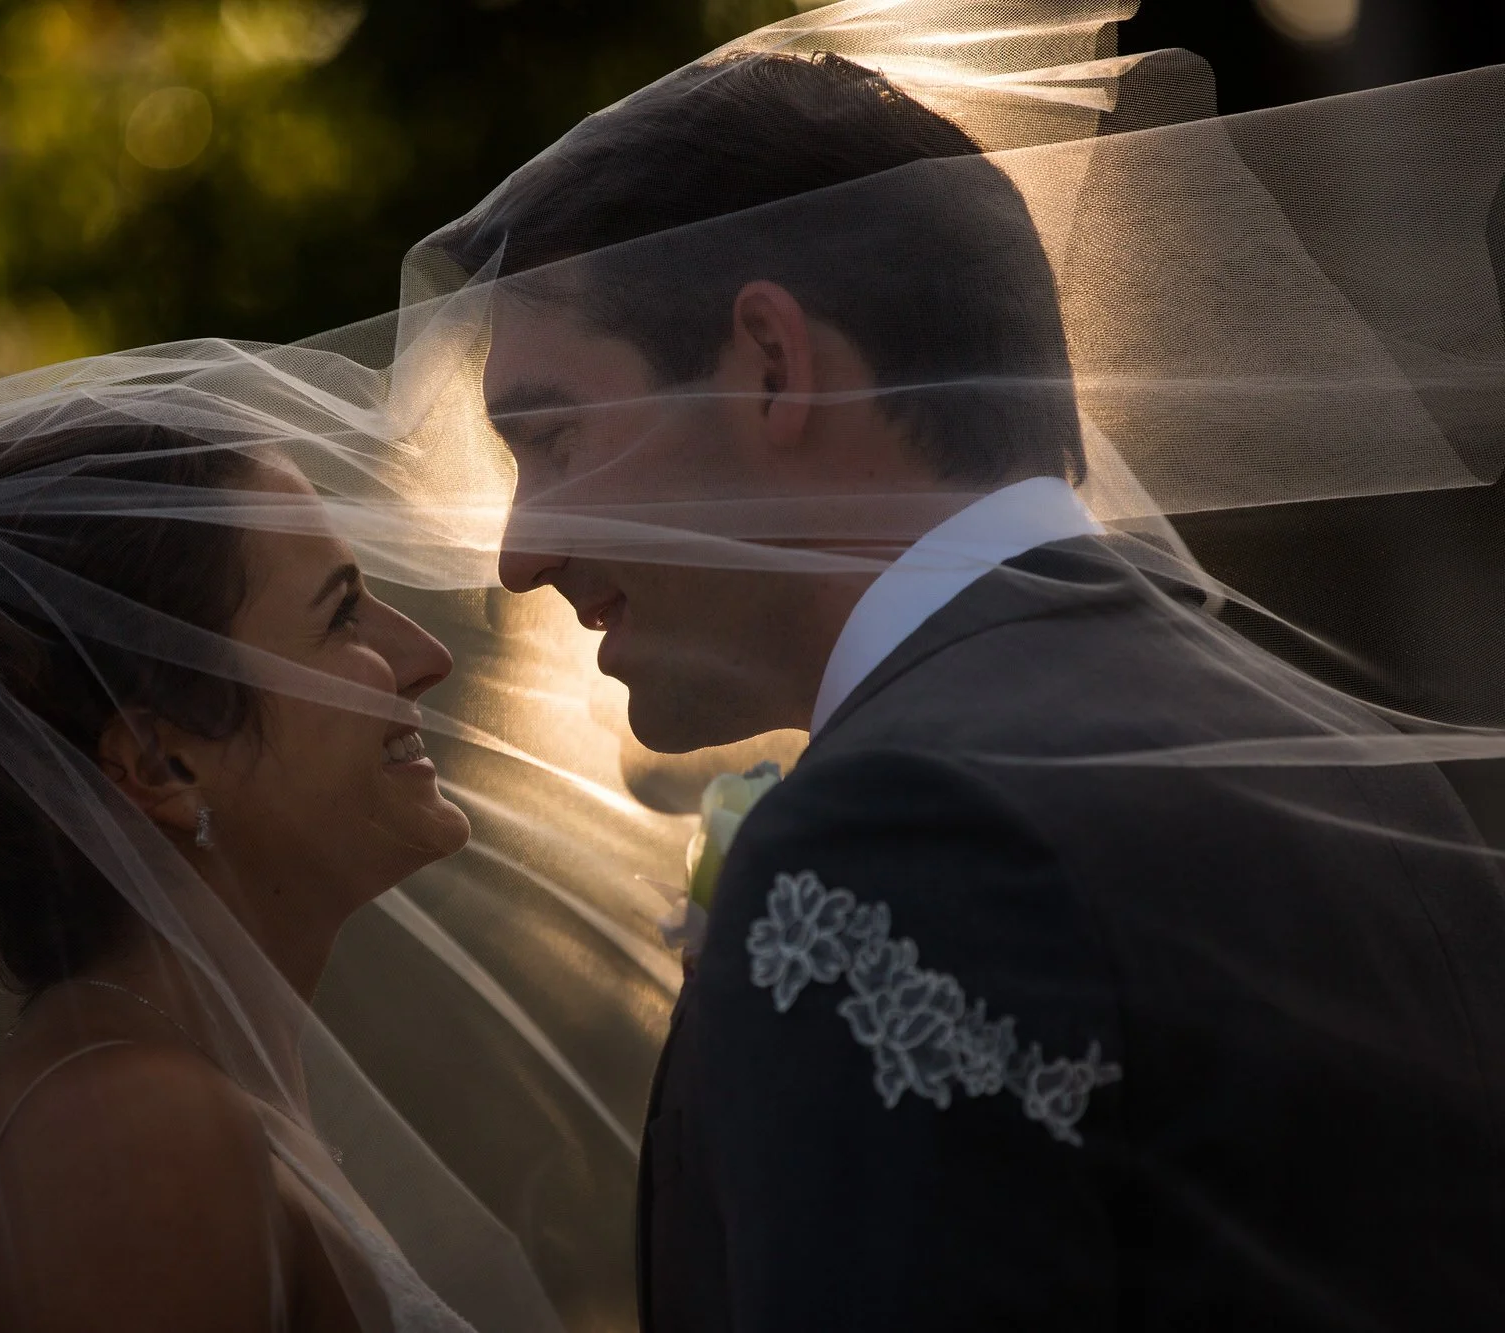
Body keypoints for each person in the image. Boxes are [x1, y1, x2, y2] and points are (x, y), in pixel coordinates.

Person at [437, 48, 1505, 1332]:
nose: (519, 553)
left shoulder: (898, 832)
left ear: (771, 364)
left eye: (553, 439)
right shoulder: (1357, 767)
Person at [0, 417, 520, 1332]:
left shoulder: (168, 1096)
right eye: (341, 613)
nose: (426, 658)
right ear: (161, 764)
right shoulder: (127, 1141)